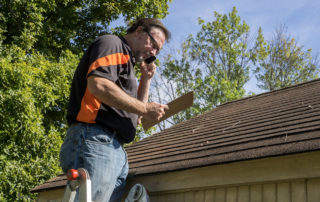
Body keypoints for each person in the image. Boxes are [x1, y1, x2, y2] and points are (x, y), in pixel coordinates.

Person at [59, 18, 171, 201]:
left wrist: (146, 79)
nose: (153, 52)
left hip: (113, 147)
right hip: (95, 138)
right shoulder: (112, 43)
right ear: (140, 31)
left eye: (157, 50)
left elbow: (136, 116)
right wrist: (144, 107)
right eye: (153, 43)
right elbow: (99, 85)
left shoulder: (128, 66)